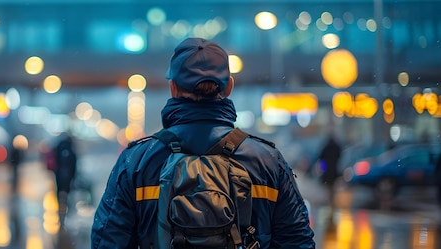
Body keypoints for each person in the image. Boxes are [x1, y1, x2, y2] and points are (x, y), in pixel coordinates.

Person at [91, 38, 315, 249]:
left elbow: (107, 242)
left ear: (173, 88)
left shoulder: (138, 162)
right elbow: (297, 241)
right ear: (229, 88)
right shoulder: (267, 162)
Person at [54, 132, 77, 215]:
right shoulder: (71, 150)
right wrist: (74, 176)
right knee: (67, 190)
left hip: (59, 172)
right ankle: (66, 205)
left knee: (59, 189)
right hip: (68, 174)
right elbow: (74, 164)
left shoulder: (59, 147)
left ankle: (60, 204)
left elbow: (56, 160)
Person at [317, 134, 342, 207]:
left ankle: (330, 203)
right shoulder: (337, 148)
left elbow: (321, 159)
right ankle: (332, 203)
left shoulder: (325, 148)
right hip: (334, 172)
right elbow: (339, 159)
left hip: (327, 172)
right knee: (332, 189)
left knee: (328, 188)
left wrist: (323, 170)